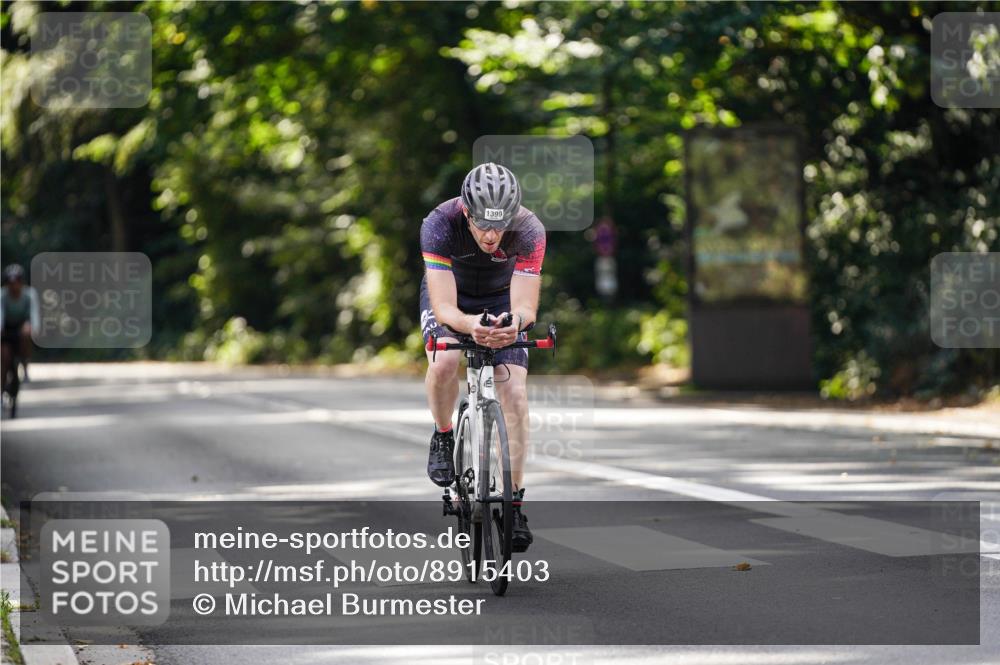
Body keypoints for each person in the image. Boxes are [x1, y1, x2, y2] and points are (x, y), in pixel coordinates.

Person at [420, 162, 546, 553]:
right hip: (452, 297)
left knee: (516, 395)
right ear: (466, 213)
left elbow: (526, 307)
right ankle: (443, 436)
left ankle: (515, 502)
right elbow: (443, 307)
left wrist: (515, 323)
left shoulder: (529, 230)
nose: (492, 236)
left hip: (500, 299)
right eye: (482, 226)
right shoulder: (440, 223)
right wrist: (469, 324)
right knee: (443, 363)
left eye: (500, 226)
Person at [1, 264, 40, 389]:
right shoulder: (2, 296)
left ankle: (25, 364)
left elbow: (34, 314)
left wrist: (34, 328)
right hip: (6, 329)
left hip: (22, 327)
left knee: (26, 332)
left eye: (17, 282)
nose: (14, 286)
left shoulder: (29, 295)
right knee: (4, 356)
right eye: (11, 283)